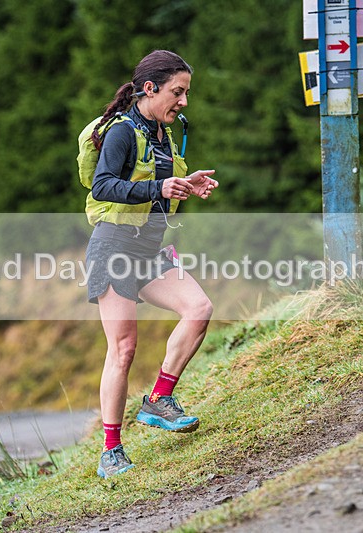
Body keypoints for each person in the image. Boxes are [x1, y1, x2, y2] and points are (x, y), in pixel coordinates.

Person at [84, 50, 219, 478]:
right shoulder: (124, 132)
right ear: (150, 88)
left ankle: (159, 399)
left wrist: (187, 183)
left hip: (150, 252)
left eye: (185, 93)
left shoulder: (163, 135)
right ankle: (111, 450)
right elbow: (104, 185)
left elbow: (157, 189)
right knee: (123, 350)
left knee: (199, 310)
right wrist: (161, 185)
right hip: (114, 250)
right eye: (177, 92)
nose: (183, 102)